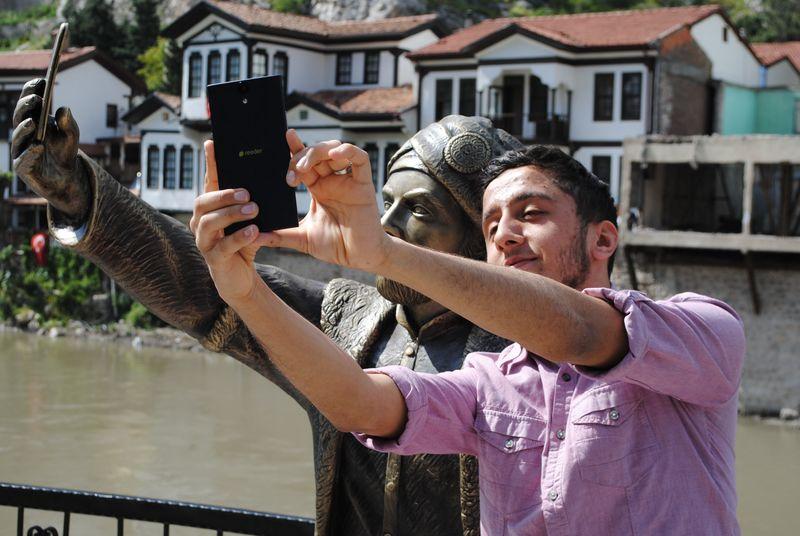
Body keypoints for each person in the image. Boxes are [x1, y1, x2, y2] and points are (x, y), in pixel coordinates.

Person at [11, 77, 525, 535]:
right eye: (384, 201)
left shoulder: (529, 354)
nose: (385, 223)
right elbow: (210, 292)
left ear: (480, 235)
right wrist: (77, 190)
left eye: (418, 209)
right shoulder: (349, 319)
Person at [191, 138, 746, 535]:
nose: (505, 233)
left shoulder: (702, 333)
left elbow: (579, 331)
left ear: (603, 240)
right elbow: (359, 404)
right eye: (490, 224)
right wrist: (244, 292)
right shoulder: (493, 380)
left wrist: (383, 253)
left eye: (531, 213)